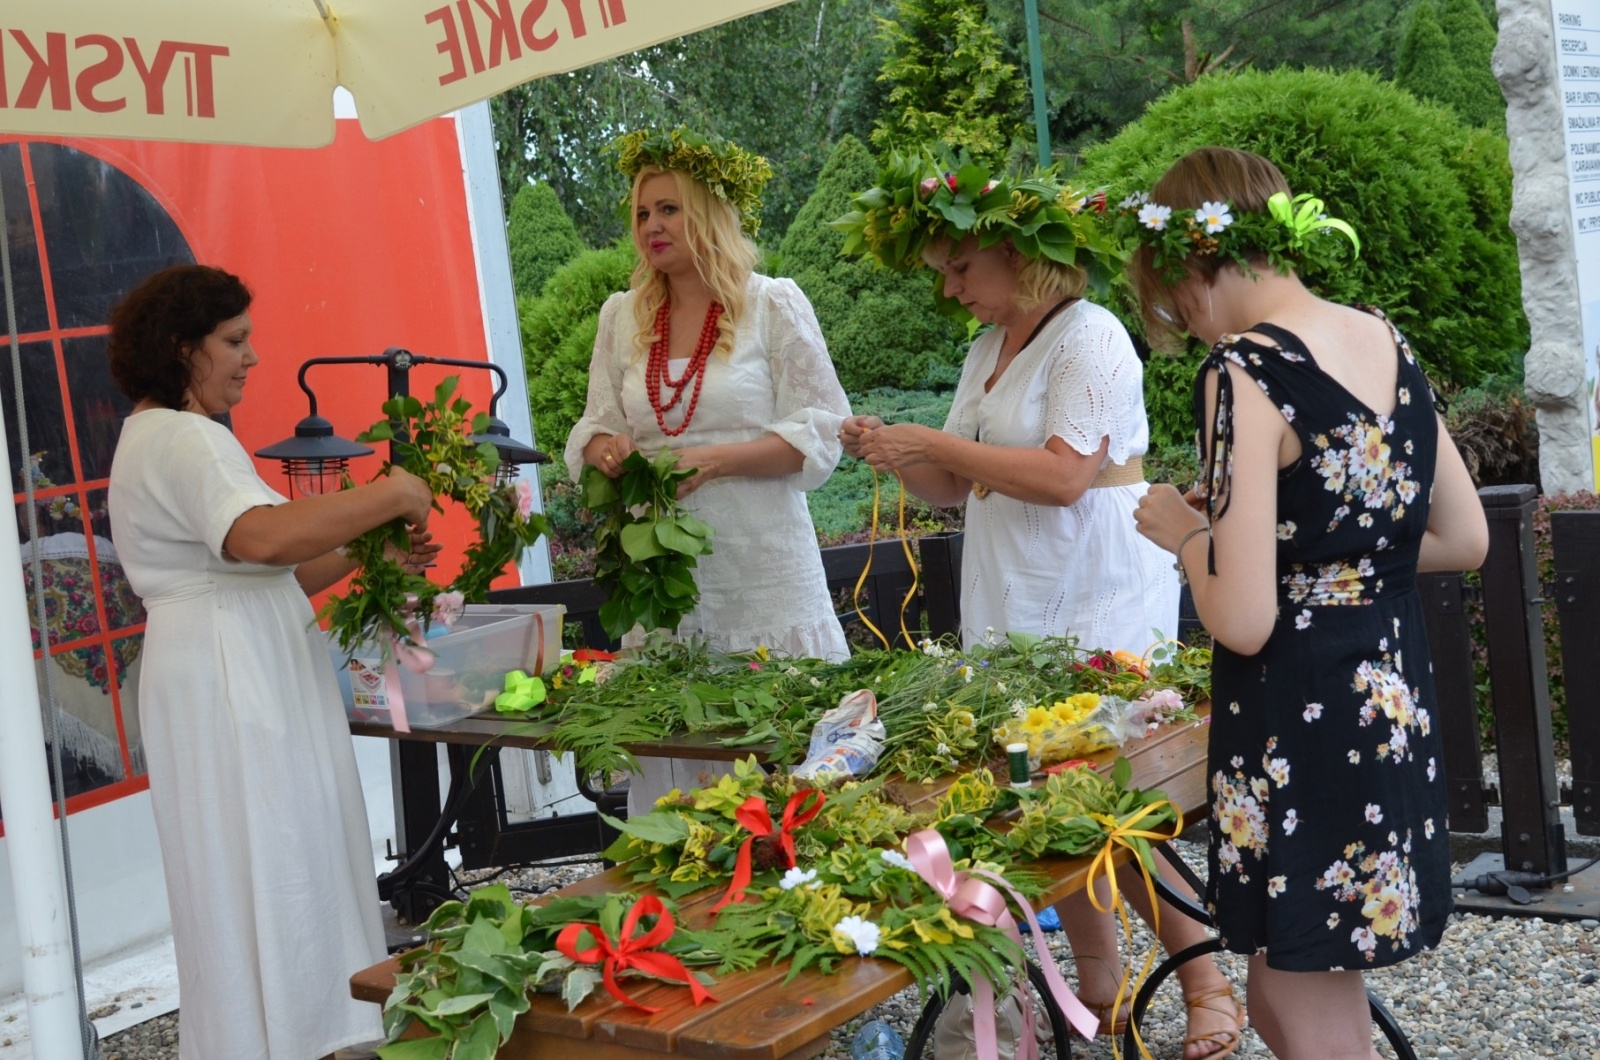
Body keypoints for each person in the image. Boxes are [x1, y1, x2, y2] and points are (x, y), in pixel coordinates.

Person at [837, 157, 1243, 1059]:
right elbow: (955, 482)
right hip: (1012, 581)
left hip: (1093, 577)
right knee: (1041, 799)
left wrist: (933, 441)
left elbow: (1065, 476)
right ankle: (1097, 984)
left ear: (1020, 259)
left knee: (1112, 794)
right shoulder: (990, 349)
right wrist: (896, 453)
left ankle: (1209, 983)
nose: (949, 289)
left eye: (959, 269)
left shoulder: (1089, 334)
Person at [1128, 147, 1489, 1059]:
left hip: (1300, 718)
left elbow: (1242, 618)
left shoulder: (1242, 371)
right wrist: (1318, 562)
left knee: (1300, 981)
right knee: (1295, 979)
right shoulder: (1382, 336)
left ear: (1188, 266)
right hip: (1387, 693)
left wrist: (1183, 535)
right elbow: (1462, 536)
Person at [106, 264, 440, 1060]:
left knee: (260, 861)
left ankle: (284, 1033)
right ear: (181, 348)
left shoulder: (161, 438)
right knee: (274, 850)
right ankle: (293, 1036)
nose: (252, 357)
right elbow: (258, 537)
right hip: (231, 677)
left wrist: (372, 547)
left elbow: (269, 572)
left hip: (227, 656)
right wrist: (392, 493)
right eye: (234, 341)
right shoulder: (183, 437)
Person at [565, 127, 850, 813]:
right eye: (641, 212)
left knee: (785, 775)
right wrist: (605, 447)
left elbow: (821, 432)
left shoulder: (773, 303)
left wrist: (716, 459)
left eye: (669, 208)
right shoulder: (620, 316)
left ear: (709, 214)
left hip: (765, 574)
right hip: (665, 582)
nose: (651, 226)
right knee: (683, 788)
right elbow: (596, 420)